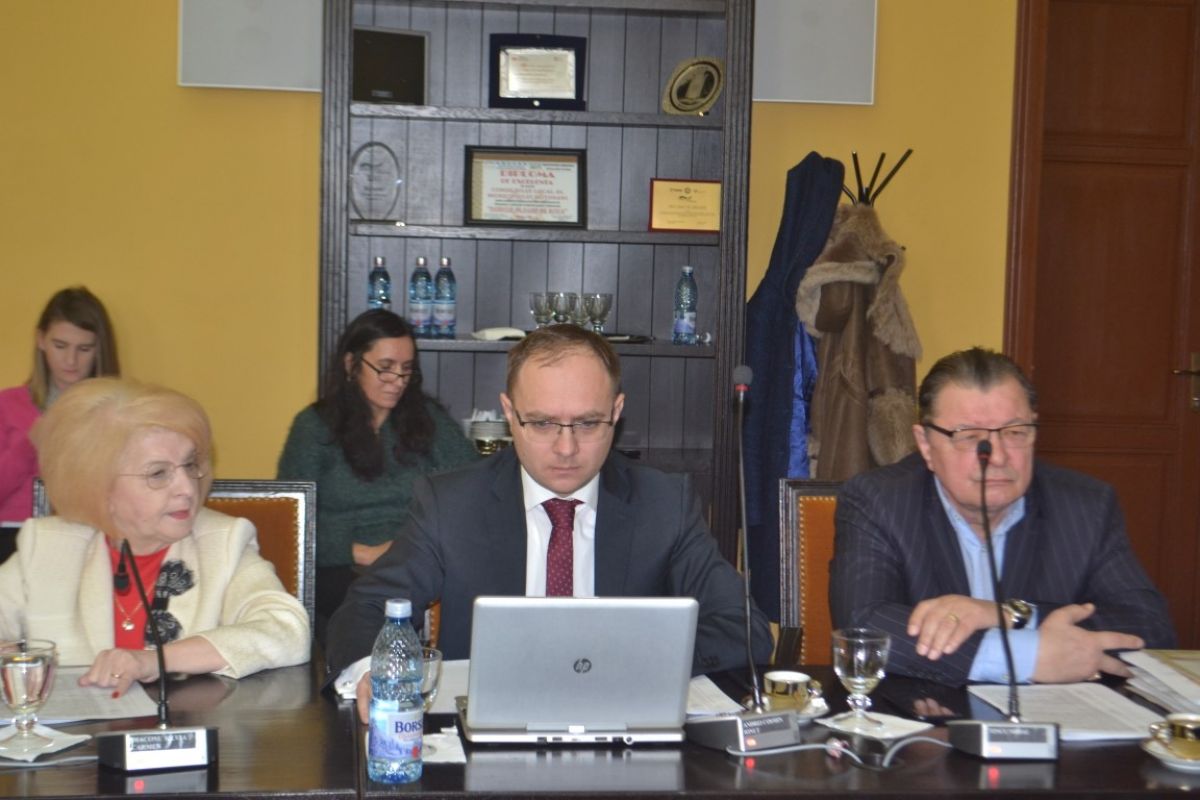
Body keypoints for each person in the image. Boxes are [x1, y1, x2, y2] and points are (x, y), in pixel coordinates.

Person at [327, 324, 773, 719]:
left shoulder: (664, 503)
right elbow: (366, 609)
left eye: (588, 423)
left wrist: (626, 662)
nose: (565, 449)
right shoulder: (451, 505)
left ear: (616, 411)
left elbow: (742, 628)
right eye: (541, 424)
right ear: (509, 413)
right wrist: (374, 670)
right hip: (487, 736)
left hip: (623, 734)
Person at [829, 347, 1176, 686]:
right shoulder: (880, 500)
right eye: (969, 436)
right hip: (928, 716)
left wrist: (1007, 615)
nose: (996, 457)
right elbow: (864, 625)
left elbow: (1150, 626)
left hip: (1054, 717)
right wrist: (1027, 657)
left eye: (1014, 432)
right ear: (925, 445)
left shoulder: (1086, 506)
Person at [0, 378, 310, 696]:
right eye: (158, 474)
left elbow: (286, 630)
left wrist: (154, 660)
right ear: (98, 486)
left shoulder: (222, 542)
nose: (187, 488)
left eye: (190, 465)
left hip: (185, 722)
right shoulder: (48, 545)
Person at [277, 309, 478, 624]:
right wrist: (362, 553)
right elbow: (290, 518)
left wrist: (414, 547)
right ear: (351, 364)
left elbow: (471, 485)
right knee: (362, 605)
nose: (397, 381)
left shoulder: (428, 420)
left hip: (415, 558)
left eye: (406, 370)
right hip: (338, 566)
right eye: (385, 369)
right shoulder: (315, 427)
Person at [0, 286, 120, 522]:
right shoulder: (7, 404)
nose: (71, 360)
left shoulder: (118, 411)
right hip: (13, 534)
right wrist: (29, 445)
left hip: (87, 533)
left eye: (84, 349)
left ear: (99, 350)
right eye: (60, 346)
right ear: (41, 340)